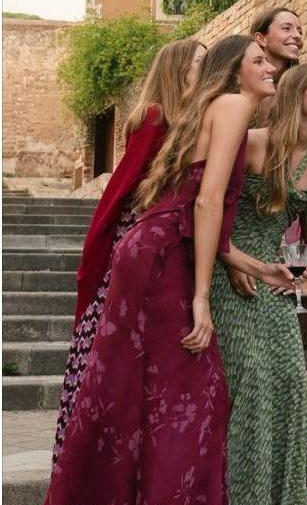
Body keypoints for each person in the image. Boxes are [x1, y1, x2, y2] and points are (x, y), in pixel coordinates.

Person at [18, 34, 293, 505]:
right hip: (161, 263)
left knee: (205, 405)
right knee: (180, 416)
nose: (272, 67)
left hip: (161, 252)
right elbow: (205, 204)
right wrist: (201, 299)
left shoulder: (218, 110)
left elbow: (196, 208)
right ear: (234, 70)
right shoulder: (233, 105)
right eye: (260, 60)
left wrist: (254, 266)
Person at [210, 63, 307, 505]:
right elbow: (210, 209)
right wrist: (234, 261)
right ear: (294, 92)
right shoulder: (252, 141)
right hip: (229, 271)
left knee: (291, 378)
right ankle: (244, 502)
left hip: (274, 276)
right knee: (250, 377)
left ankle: (290, 495)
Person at [54, 38, 206, 464]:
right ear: (177, 69)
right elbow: (126, 188)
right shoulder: (156, 117)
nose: (206, 69)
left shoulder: (190, 119)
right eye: (199, 62)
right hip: (136, 239)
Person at [250, 7, 304, 126]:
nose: (297, 36)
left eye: (300, 32)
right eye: (286, 28)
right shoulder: (242, 86)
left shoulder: (303, 86)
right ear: (261, 39)